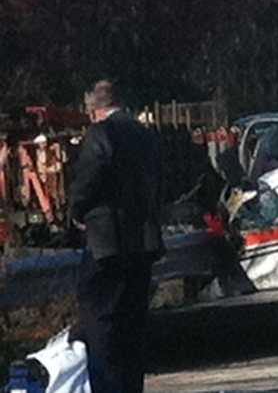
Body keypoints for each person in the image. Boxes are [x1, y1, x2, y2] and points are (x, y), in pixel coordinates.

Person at [69, 80, 164, 393]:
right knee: (132, 323)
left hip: (106, 243)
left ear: (93, 109)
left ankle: (108, 387)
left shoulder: (101, 134)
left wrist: (76, 211)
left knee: (102, 322)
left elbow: (87, 181)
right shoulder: (145, 135)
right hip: (143, 240)